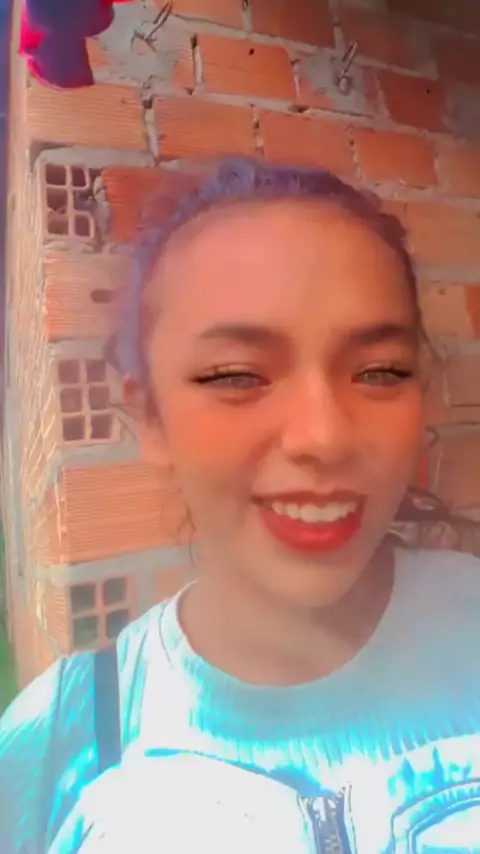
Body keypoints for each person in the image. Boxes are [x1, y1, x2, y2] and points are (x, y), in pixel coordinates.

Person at [1, 157, 480, 853]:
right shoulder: (57, 751)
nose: (323, 437)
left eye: (380, 372)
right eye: (236, 375)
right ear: (151, 417)